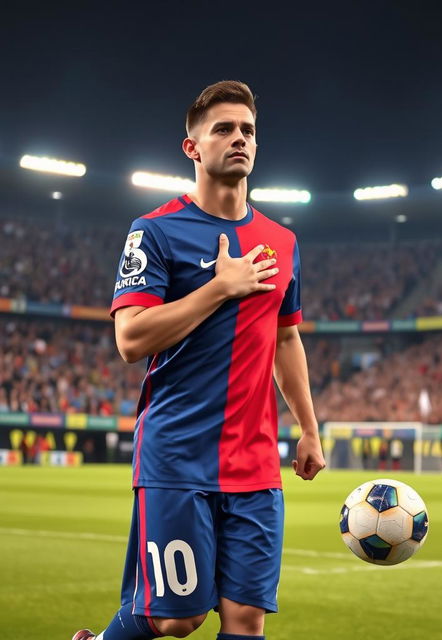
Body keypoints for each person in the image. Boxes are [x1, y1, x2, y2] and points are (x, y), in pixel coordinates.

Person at [73, 80, 325, 640]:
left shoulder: (282, 242)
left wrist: (309, 428)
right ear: (193, 148)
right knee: (175, 618)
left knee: (246, 620)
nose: (239, 138)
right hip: (177, 453)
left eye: (248, 131)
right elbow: (131, 339)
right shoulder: (154, 231)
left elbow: (287, 339)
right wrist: (219, 288)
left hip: (256, 462)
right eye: (224, 129)